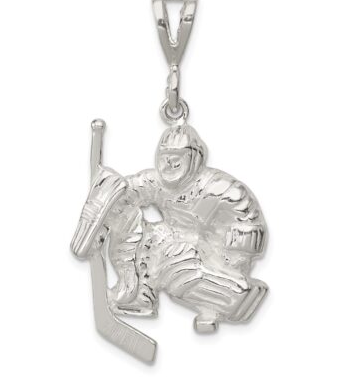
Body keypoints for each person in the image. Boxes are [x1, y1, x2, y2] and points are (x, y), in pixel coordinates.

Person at [107, 124, 268, 332]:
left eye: (176, 157)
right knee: (140, 237)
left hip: (224, 250)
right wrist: (107, 197)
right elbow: (129, 189)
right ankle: (140, 294)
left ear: (194, 158)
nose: (169, 163)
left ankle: (231, 296)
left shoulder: (214, 187)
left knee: (168, 258)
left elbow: (199, 227)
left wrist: (235, 263)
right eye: (165, 157)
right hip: (190, 242)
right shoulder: (158, 181)